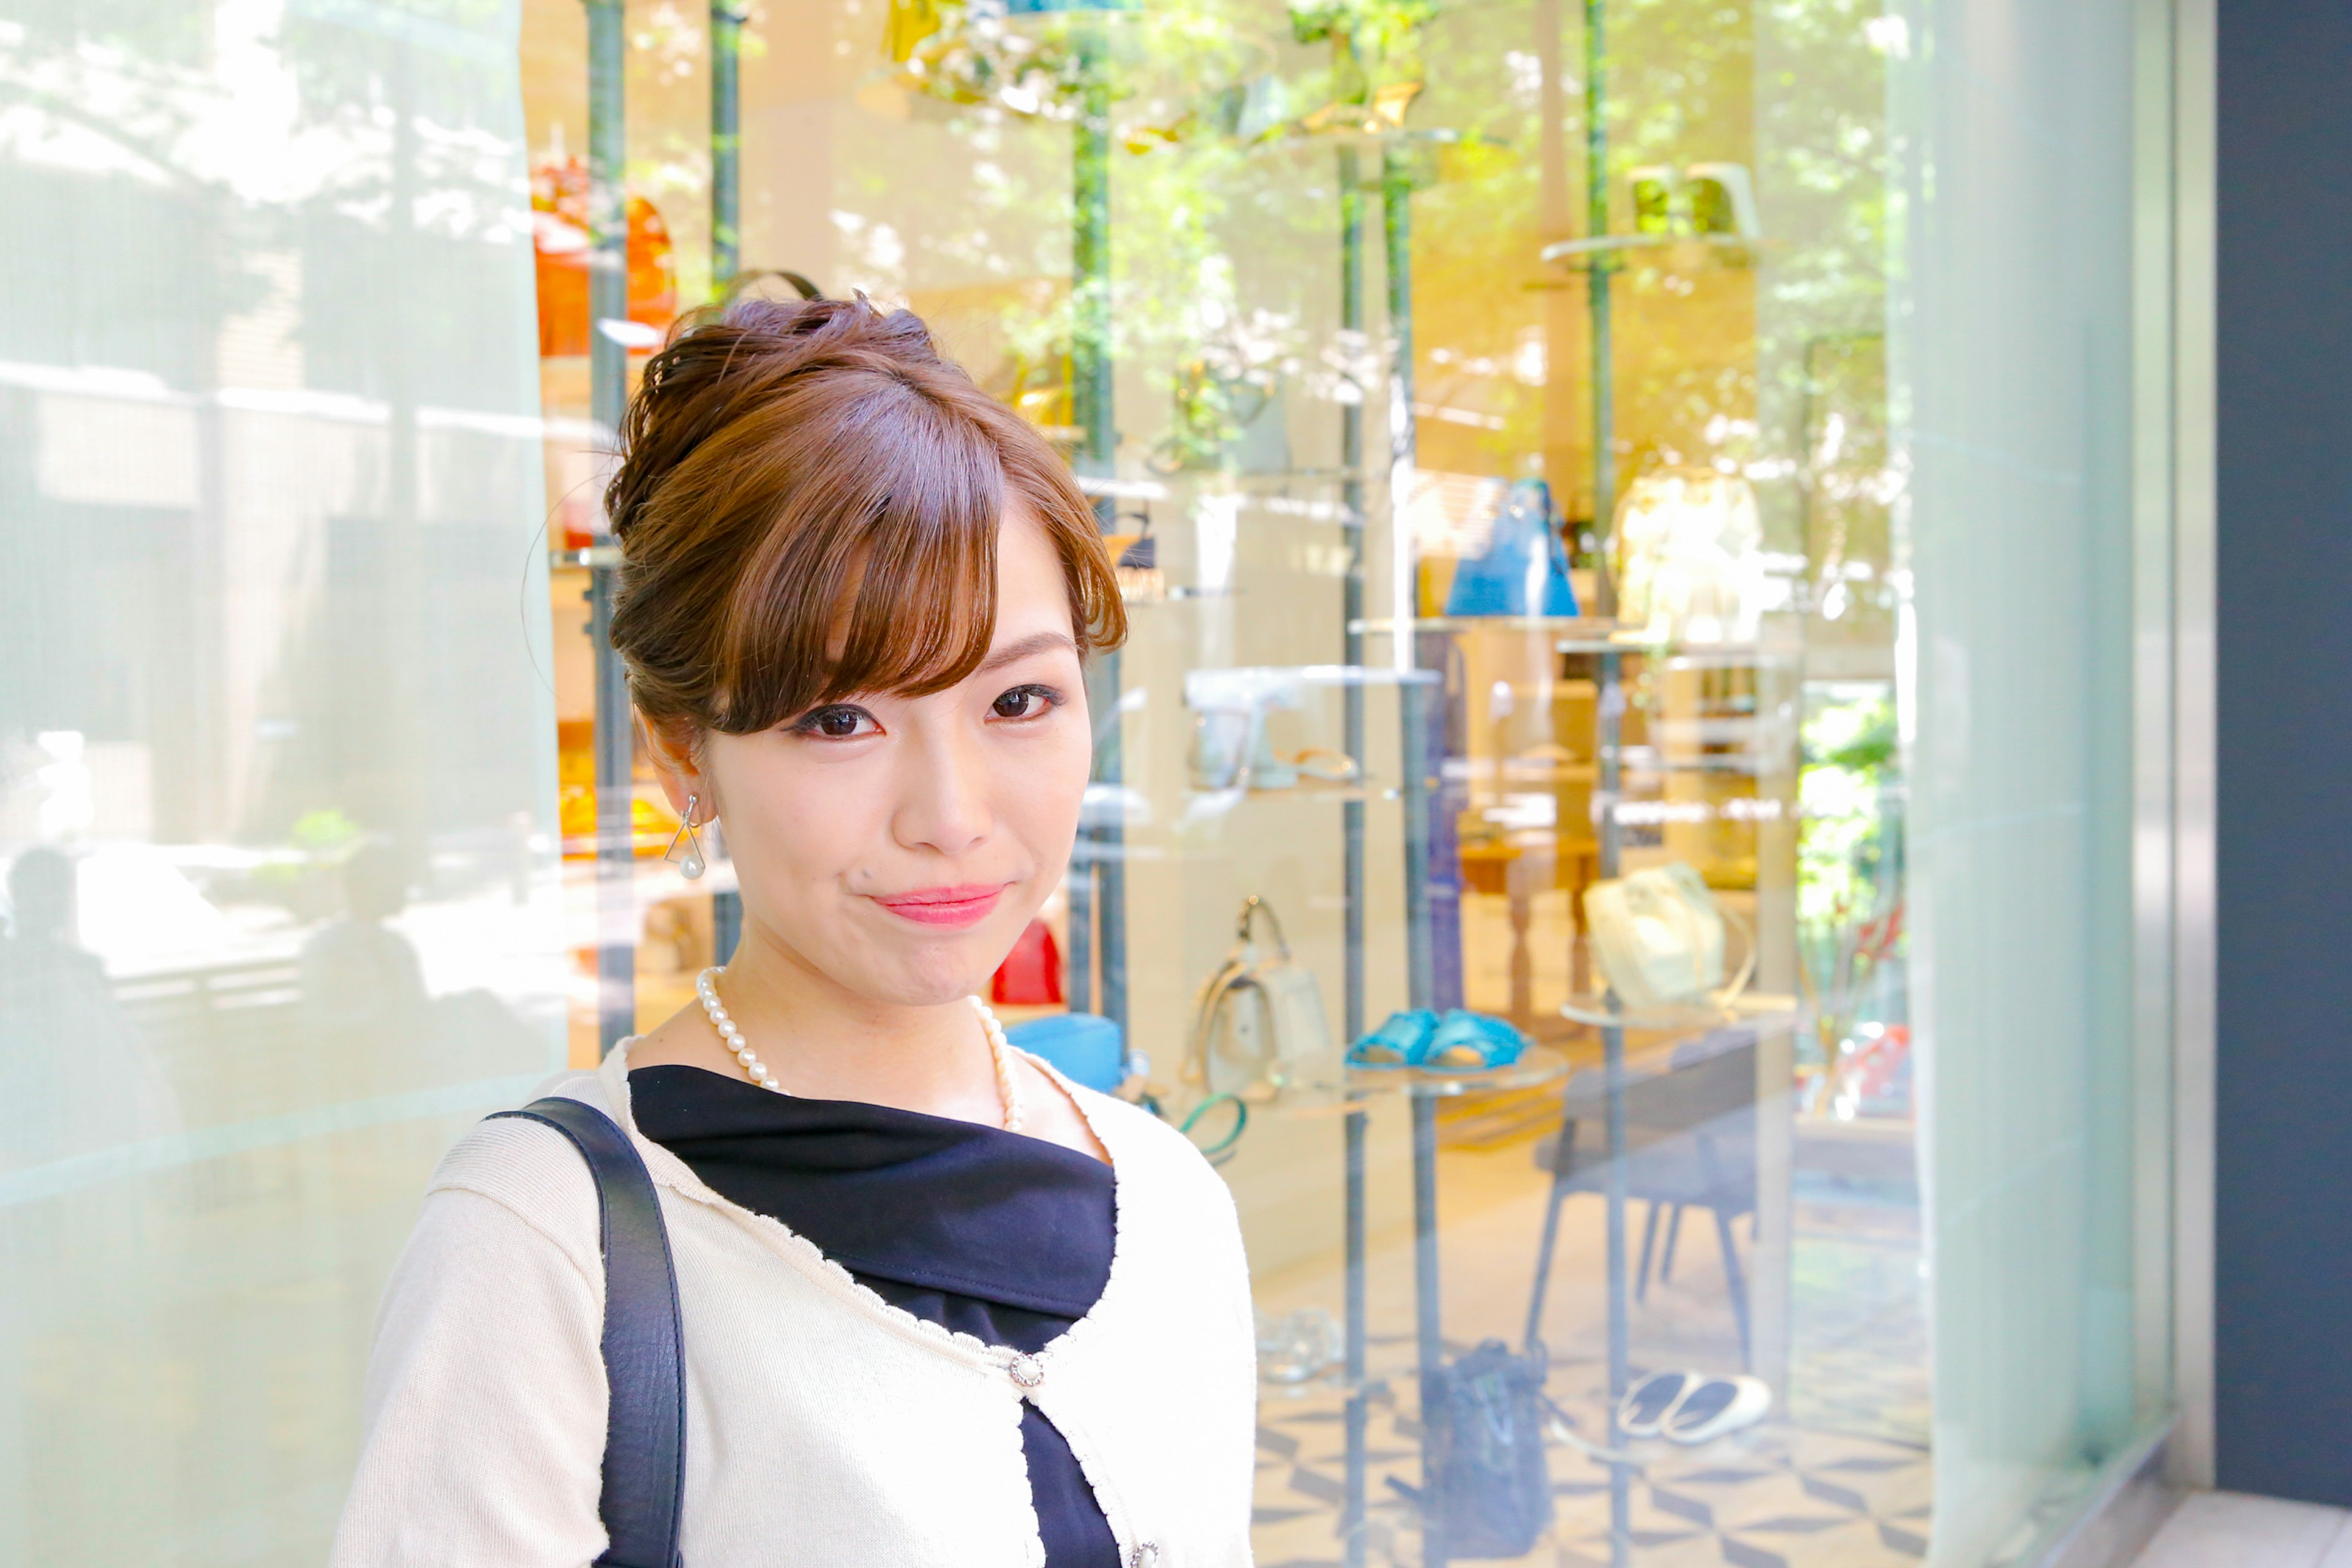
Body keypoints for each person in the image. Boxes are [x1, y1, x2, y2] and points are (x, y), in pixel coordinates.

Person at [331, 297, 1256, 1567]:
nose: (951, 814)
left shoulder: (1168, 1202)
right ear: (680, 755)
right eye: (838, 718)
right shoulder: (555, 1233)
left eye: (1020, 698)